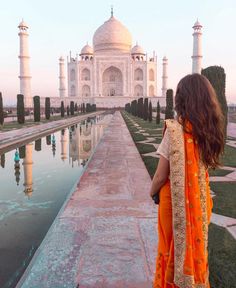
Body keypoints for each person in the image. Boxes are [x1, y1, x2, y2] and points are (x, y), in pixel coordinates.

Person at [149, 74, 225, 288]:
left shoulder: (174, 130)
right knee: (196, 248)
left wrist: (151, 190)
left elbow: (160, 175)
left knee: (169, 249)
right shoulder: (208, 132)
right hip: (200, 201)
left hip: (173, 204)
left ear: (182, 99)